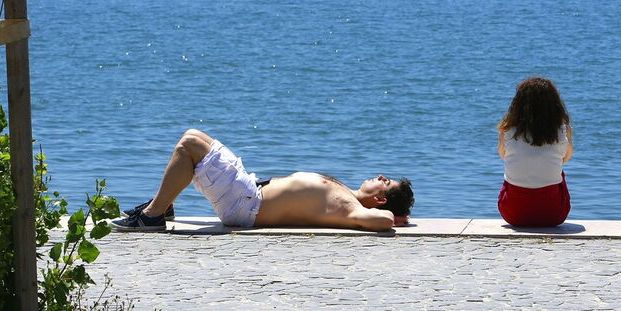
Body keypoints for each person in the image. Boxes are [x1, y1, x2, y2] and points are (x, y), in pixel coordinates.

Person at [114, 129, 414, 233]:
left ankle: (153, 216)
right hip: (248, 194)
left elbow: (384, 221)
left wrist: (396, 217)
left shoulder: (352, 209)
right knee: (195, 137)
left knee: (190, 145)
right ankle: (162, 207)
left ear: (380, 200)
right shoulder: (345, 194)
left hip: (246, 206)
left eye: (384, 183)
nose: (379, 176)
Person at [497, 77, 573, 227]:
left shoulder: (507, 131)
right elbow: (565, 158)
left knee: (512, 170)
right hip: (554, 214)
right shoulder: (562, 131)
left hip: (512, 213)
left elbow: (504, 156)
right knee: (559, 172)